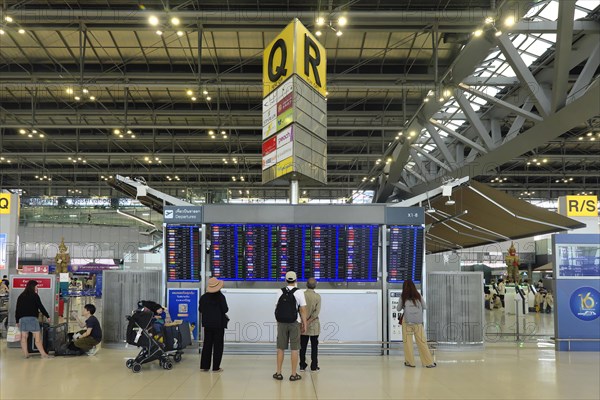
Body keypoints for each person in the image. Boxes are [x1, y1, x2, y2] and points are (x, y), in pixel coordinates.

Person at [273, 271, 308, 382]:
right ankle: (293, 374)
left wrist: (278, 322)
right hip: (295, 323)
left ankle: (278, 373)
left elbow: (277, 309)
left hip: (282, 323)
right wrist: (304, 323)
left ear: (285, 280)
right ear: (296, 280)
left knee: (280, 348)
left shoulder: (279, 292)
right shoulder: (299, 292)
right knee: (294, 349)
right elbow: (302, 310)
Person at [396, 279, 436, 368]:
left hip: (407, 322)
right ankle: (428, 363)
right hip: (418, 323)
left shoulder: (403, 296)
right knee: (422, 342)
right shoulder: (418, 295)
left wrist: (404, 306)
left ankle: (410, 362)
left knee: (408, 343)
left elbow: (398, 309)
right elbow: (425, 307)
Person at [15, 280, 51, 358]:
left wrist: (17, 320)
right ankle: (43, 354)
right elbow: (40, 307)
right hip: (32, 319)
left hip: (23, 319)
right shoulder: (35, 295)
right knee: (37, 339)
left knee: (24, 338)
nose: (37, 288)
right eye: (36, 286)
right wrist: (47, 316)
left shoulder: (21, 296)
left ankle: (26, 355)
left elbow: (17, 309)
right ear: (33, 286)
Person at [199, 277, 228, 372]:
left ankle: (205, 366)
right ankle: (216, 367)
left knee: (207, 344)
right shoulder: (221, 297)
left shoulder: (203, 297)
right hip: (219, 324)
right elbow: (225, 309)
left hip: (207, 324)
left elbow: (200, 310)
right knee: (218, 346)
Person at [300, 277, 321, 372]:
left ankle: (302, 365)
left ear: (306, 284)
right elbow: (316, 312)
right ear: (315, 286)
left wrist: (304, 321)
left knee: (302, 346)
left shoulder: (301, 295)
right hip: (314, 324)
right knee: (314, 346)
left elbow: (299, 309)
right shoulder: (317, 297)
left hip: (302, 324)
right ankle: (314, 366)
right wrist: (309, 321)